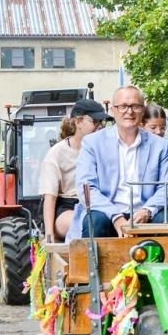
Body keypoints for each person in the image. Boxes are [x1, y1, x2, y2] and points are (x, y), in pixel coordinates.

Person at [69, 85, 168, 240]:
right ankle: (92, 265)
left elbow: (167, 188)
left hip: (145, 211)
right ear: (112, 110)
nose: (129, 111)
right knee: (95, 222)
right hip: (106, 210)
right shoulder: (92, 143)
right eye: (123, 106)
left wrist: (147, 211)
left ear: (143, 110)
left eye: (135, 106)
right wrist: (116, 217)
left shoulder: (160, 145)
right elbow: (87, 188)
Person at [39, 99, 109, 240]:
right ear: (78, 122)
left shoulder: (106, 150)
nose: (100, 127)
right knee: (90, 223)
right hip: (68, 206)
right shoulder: (57, 154)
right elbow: (50, 197)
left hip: (99, 203)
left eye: (102, 123)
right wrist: (49, 234)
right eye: (95, 121)